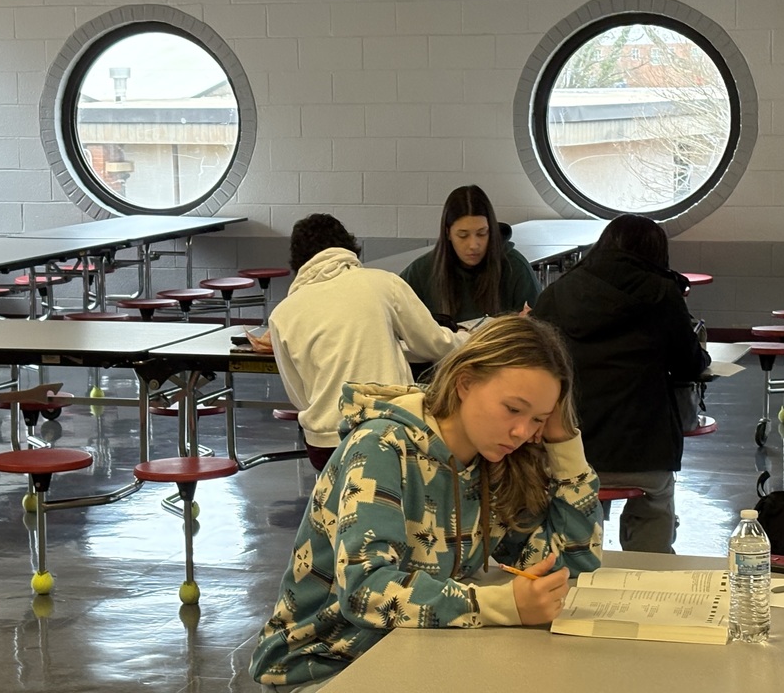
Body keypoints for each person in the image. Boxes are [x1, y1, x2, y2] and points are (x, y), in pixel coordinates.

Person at [250, 315, 603, 690]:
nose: (522, 432)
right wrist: (500, 605)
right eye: (513, 409)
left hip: (415, 650)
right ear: (465, 382)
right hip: (322, 665)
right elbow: (365, 592)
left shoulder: (495, 463)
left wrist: (564, 444)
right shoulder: (382, 446)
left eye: (538, 419)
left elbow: (570, 562)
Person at [531, 214, 710, 554]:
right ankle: (652, 572)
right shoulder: (662, 293)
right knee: (657, 501)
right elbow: (688, 366)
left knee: (573, 514)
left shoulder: (556, 293)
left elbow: (534, 366)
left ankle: (579, 562)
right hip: (647, 452)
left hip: (572, 450)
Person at [268, 213, 467, 470]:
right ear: (350, 249)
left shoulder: (282, 314)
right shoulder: (383, 283)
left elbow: (299, 395)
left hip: (324, 442)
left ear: (299, 262)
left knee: (340, 504)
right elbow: (434, 344)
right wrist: (466, 338)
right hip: (387, 431)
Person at [400, 185, 540, 324]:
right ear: (448, 233)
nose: (473, 245)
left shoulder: (515, 267)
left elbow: (541, 329)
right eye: (463, 235)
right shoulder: (421, 271)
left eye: (481, 233)